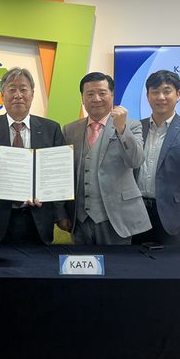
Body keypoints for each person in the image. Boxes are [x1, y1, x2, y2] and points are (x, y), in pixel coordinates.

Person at [0, 67, 65, 245]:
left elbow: (58, 174)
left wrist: (45, 195)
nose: (18, 95)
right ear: (2, 95)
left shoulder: (51, 129)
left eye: (23, 89)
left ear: (32, 94)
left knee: (39, 262)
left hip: (38, 217)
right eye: (12, 89)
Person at [56, 72, 150, 244]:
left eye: (102, 93)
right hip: (79, 220)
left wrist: (121, 130)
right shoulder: (69, 130)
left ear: (112, 95)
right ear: (82, 98)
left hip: (117, 219)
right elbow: (62, 174)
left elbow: (136, 161)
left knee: (117, 262)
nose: (96, 99)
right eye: (90, 94)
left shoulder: (132, 125)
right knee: (81, 262)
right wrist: (61, 212)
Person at [132, 69, 180, 246]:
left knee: (169, 263)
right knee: (135, 262)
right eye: (155, 92)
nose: (161, 97)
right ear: (148, 96)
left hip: (172, 216)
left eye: (167, 91)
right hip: (136, 213)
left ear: (178, 95)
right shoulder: (136, 128)